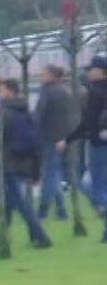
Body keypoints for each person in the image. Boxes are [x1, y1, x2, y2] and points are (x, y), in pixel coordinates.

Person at [0, 79, 53, 249]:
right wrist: (36, 170)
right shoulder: (27, 113)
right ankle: (0, 241)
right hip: (24, 162)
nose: (0, 94)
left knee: (19, 203)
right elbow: (36, 143)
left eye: (3, 90)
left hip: (9, 163)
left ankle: (42, 237)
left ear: (10, 92)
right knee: (9, 205)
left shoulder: (3, 115)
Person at [33, 64, 80, 221]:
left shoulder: (48, 92)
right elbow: (72, 116)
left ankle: (44, 210)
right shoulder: (66, 90)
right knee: (55, 174)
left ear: (52, 75)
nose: (41, 76)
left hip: (49, 137)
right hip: (64, 138)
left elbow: (39, 114)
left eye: (44, 73)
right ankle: (60, 210)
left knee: (50, 175)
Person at [81, 56, 107, 233]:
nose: (88, 72)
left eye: (91, 69)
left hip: (98, 142)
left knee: (89, 184)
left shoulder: (96, 92)